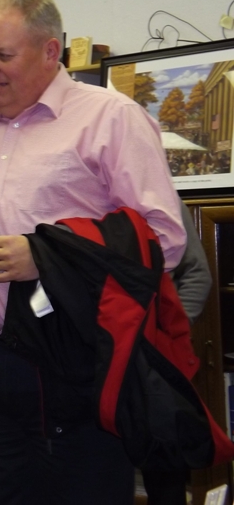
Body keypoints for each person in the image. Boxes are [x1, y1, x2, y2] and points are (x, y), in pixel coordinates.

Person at [0, 0, 187, 505]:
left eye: (3, 54)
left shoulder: (110, 118)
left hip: (74, 361)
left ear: (51, 51)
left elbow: (163, 238)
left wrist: (49, 257)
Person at [142, 201, 212, 504]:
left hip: (156, 359)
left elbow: (196, 274)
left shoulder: (163, 199)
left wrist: (169, 330)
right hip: (90, 359)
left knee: (165, 470)